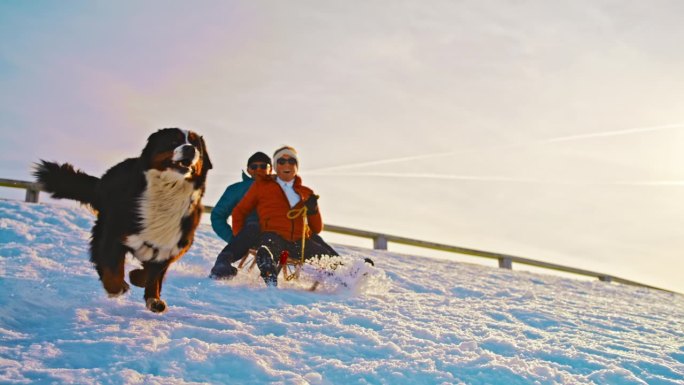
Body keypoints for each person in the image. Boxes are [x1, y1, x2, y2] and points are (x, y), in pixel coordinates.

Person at [231, 145, 339, 287]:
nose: (287, 165)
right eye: (281, 161)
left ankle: (349, 274)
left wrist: (312, 210)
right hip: (273, 235)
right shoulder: (262, 187)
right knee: (269, 245)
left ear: (297, 166)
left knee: (326, 256)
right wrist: (242, 239)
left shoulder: (306, 192)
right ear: (275, 166)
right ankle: (268, 266)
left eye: (291, 161)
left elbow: (316, 228)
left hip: (299, 242)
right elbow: (240, 211)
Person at [209, 152, 272, 279]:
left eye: (263, 166)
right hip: (250, 232)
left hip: (276, 233)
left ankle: (323, 265)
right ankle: (223, 261)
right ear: (248, 170)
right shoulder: (236, 189)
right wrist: (232, 238)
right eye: (254, 167)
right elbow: (217, 216)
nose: (258, 169)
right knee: (254, 226)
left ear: (271, 169)